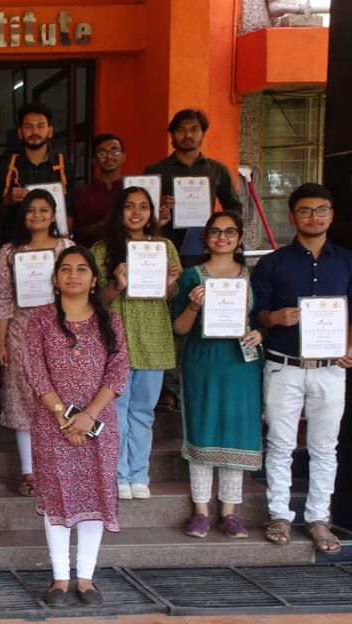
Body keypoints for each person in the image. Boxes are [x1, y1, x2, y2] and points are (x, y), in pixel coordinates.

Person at [252, 183, 352, 553]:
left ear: (331, 215)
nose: (313, 217)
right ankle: (279, 514)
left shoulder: (348, 262)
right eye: (305, 211)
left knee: (324, 447)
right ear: (292, 216)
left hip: (330, 368)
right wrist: (276, 318)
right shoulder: (273, 262)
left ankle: (319, 517)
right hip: (283, 366)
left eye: (321, 210)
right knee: (281, 445)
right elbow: (257, 314)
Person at [25, 246, 128, 608]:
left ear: (94, 278)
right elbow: (36, 372)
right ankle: (59, 578)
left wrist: (88, 416)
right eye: (65, 269)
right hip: (52, 422)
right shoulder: (39, 319)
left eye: (81, 269)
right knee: (57, 496)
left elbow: (118, 371)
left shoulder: (110, 320)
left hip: (98, 423)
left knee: (94, 494)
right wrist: (63, 416)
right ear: (55, 278)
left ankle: (86, 578)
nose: (73, 275)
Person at [171, 211, 263, 539]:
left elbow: (262, 318)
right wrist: (193, 307)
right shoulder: (191, 277)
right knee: (203, 427)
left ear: (239, 237)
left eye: (229, 232)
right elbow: (178, 327)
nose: (222, 237)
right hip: (203, 360)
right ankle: (200, 511)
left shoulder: (253, 276)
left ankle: (230, 512)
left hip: (241, 362)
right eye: (215, 231)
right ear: (205, 237)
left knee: (236, 430)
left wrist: (261, 333)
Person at [91, 186, 181, 499]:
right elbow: (96, 300)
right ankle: (117, 474)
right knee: (116, 410)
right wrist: (117, 283)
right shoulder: (103, 249)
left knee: (143, 411)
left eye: (144, 206)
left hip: (153, 336)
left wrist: (170, 284)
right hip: (116, 338)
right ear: (119, 211)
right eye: (130, 206)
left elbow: (170, 297)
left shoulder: (164, 247)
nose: (137, 212)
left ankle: (139, 474)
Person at [0, 189, 74, 497]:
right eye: (30, 210)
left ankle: (58, 467)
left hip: (61, 331)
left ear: (54, 215)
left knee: (59, 400)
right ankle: (29, 471)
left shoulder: (67, 247)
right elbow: (3, 300)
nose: (37, 215)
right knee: (24, 402)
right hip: (20, 333)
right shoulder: (10, 252)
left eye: (44, 209)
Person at [145, 109, 243, 264]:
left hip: (205, 248)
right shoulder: (155, 171)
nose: (188, 135)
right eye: (180, 130)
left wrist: (218, 229)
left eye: (194, 129)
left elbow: (234, 207)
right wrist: (157, 203)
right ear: (172, 135)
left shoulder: (217, 169)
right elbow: (141, 212)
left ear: (203, 134)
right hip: (165, 248)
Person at [0, 103, 75, 242]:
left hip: (54, 241)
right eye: (28, 126)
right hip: (15, 242)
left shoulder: (63, 164)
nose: (34, 132)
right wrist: (8, 200)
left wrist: (64, 238)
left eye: (40, 126)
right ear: (20, 133)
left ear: (50, 131)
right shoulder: (8, 165)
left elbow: (71, 207)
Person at [73, 134, 126, 246]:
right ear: (94, 161)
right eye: (102, 153)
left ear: (123, 156)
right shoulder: (83, 193)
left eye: (114, 151)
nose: (109, 157)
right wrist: (101, 225)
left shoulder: (132, 188)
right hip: (93, 252)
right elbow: (77, 232)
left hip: (128, 250)